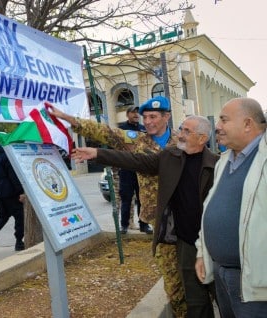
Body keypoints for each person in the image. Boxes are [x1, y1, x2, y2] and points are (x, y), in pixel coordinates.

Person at [49, 96, 187, 317]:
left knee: (196, 275)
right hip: (160, 221)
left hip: (186, 218)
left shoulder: (182, 142)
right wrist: (69, 119)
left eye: (153, 116)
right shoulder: (137, 141)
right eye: (145, 117)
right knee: (172, 279)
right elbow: (105, 132)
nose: (148, 121)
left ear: (167, 117)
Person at [73, 115, 219, 317]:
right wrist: (97, 153)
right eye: (181, 128)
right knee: (196, 300)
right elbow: (135, 160)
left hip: (214, 243)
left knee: (223, 295)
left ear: (202, 139)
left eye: (187, 131)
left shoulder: (217, 165)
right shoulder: (170, 156)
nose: (180, 134)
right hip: (187, 242)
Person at [195, 97, 267, 317]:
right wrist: (202, 252)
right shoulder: (224, 160)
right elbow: (210, 210)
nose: (217, 126)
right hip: (222, 272)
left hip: (254, 281)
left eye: (224, 120)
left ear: (247, 124)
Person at [117, 105, 149, 234]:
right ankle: (124, 225)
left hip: (141, 170)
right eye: (133, 112)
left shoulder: (143, 129)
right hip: (126, 170)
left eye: (137, 113)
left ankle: (144, 225)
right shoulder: (121, 129)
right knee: (126, 199)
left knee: (143, 199)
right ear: (127, 114)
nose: (136, 115)